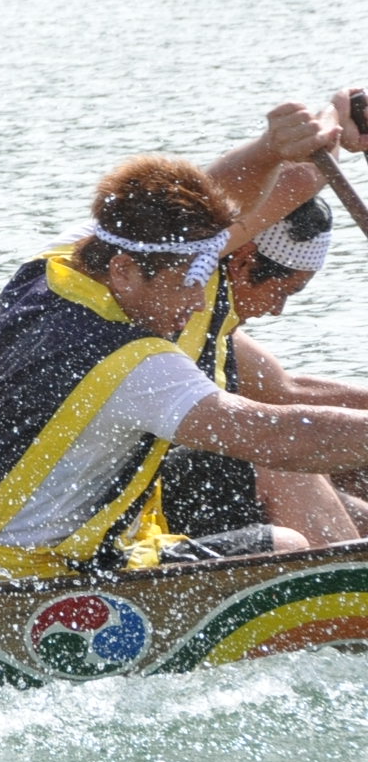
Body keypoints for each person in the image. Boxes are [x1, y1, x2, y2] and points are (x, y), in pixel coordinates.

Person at [0, 106, 368, 585]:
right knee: (289, 549)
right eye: (185, 283)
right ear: (124, 272)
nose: (197, 301)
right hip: (37, 579)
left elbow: (216, 192)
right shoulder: (133, 362)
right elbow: (270, 435)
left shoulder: (55, 267)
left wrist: (271, 149)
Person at [156, 195, 368, 546]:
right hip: (140, 493)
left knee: (348, 462)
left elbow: (286, 390)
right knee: (280, 451)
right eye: (283, 291)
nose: (278, 310)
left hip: (192, 477)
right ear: (243, 263)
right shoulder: (183, 302)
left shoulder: (219, 315)